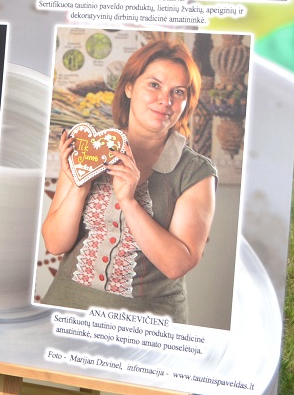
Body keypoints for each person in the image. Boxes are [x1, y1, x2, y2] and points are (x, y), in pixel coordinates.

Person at [40, 40, 215, 323]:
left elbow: (177, 265)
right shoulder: (88, 148)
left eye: (178, 92)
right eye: (154, 85)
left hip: (146, 324)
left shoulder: (196, 172)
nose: (165, 100)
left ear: (186, 102)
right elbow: (55, 243)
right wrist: (79, 187)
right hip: (65, 309)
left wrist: (129, 202)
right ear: (130, 87)